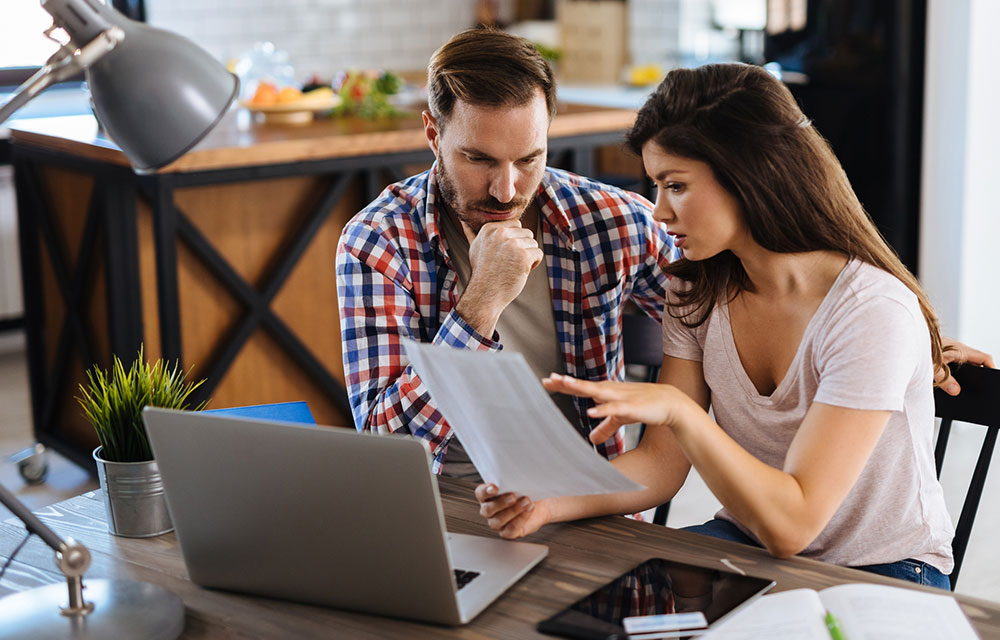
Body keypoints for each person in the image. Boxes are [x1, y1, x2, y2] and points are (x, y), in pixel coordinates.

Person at [475, 63, 996, 588]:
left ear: (751, 174)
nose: (658, 212)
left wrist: (682, 413)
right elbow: (660, 467)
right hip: (748, 545)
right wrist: (545, 500)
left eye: (675, 185)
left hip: (882, 571)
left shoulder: (872, 312)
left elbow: (793, 525)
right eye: (656, 186)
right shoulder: (695, 290)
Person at [335, 28, 677, 480]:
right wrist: (480, 305)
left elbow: (720, 331)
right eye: (479, 159)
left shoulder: (614, 221)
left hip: (590, 502)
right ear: (433, 134)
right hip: (446, 504)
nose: (506, 190)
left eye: (528, 159)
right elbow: (387, 448)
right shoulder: (377, 241)